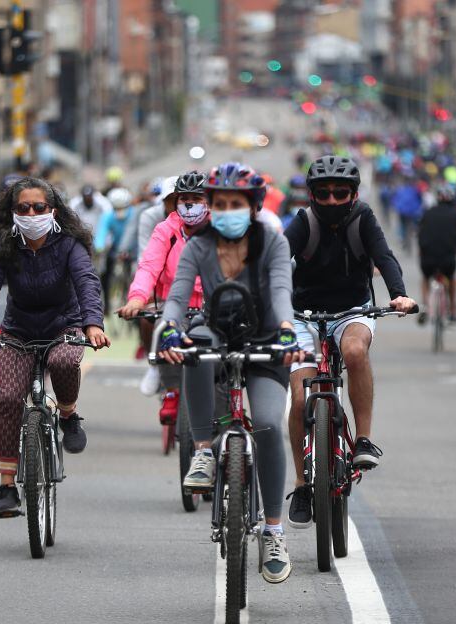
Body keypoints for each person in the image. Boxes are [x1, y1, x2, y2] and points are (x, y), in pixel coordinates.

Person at [158, 161, 306, 584]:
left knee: (265, 423)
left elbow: (281, 292)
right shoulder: (197, 246)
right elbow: (178, 295)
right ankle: (203, 448)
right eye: (218, 203)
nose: (225, 210)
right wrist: (170, 328)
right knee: (194, 344)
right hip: (216, 334)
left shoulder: (273, 243)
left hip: (265, 340)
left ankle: (274, 532)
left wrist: (285, 330)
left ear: (253, 205)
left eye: (234, 203)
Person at [0, 177, 110, 518]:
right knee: (11, 399)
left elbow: (87, 281)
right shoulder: (4, 245)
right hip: (19, 330)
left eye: (39, 207)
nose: (31, 214)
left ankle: (69, 416)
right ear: (12, 213)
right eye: (23, 208)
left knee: (62, 362)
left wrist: (93, 325)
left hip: (65, 324)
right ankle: (6, 485)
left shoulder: (69, 244)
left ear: (52, 210)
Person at [282, 155, 416, 528]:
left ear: (353, 194)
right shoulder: (304, 222)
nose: (331, 201)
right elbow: (277, 260)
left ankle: (363, 442)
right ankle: (302, 483)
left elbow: (384, 257)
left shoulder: (364, 219)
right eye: (322, 194)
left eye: (340, 193)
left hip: (353, 311)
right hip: (302, 315)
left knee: (355, 351)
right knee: (298, 397)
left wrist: (399, 294)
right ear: (311, 195)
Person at [118, 171, 208, 419]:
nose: (190, 204)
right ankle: (171, 390)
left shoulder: (220, 229)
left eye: (198, 198)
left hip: (215, 308)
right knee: (162, 328)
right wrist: (137, 298)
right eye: (184, 198)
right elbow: (149, 266)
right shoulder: (166, 229)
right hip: (174, 305)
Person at [416, 185, 456, 324]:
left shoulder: (427, 213)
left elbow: (420, 235)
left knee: (426, 278)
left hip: (428, 257)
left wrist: (421, 250)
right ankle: (453, 311)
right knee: (451, 279)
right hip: (448, 258)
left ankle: (425, 307)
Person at [95, 187, 137, 312]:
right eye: (116, 208)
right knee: (105, 273)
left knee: (135, 274)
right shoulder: (108, 216)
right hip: (115, 250)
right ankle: (106, 304)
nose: (120, 211)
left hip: (133, 249)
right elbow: (101, 233)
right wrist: (99, 246)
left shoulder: (134, 214)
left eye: (122, 207)